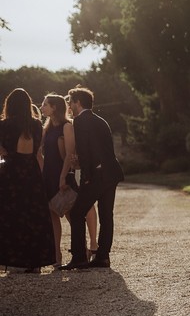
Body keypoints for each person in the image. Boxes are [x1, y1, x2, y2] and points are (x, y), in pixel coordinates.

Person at [60, 86, 125, 270]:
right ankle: (103, 257)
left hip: (97, 175)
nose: (69, 106)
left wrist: (85, 175)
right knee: (106, 215)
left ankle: (79, 257)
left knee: (77, 212)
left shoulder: (79, 121)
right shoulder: (101, 121)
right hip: (111, 173)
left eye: (71, 102)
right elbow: (103, 150)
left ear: (78, 103)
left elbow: (86, 149)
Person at [39, 94, 100, 267]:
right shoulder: (47, 128)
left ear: (54, 107)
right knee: (52, 216)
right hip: (48, 176)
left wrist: (62, 176)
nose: (42, 107)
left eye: (45, 104)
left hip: (63, 176)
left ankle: (82, 251)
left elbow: (69, 155)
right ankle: (56, 255)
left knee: (71, 215)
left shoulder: (67, 126)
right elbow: (39, 151)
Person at [0, 88, 55, 272]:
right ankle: (34, 262)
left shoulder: (4, 125)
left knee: (11, 217)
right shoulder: (36, 125)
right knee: (33, 217)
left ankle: (13, 260)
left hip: (11, 174)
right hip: (31, 173)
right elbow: (38, 153)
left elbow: (2, 152)